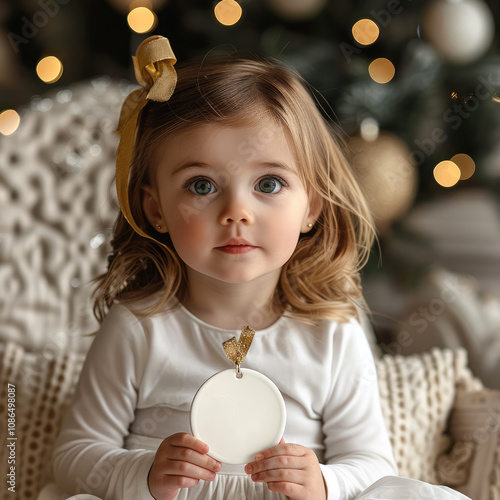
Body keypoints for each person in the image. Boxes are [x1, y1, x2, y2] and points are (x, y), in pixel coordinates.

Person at [51, 36, 470, 500]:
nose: (237, 212)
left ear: (310, 206)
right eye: (202, 185)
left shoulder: (331, 331)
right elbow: (74, 458)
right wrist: (144, 474)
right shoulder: (139, 327)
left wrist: (323, 482)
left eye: (268, 183)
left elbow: (372, 464)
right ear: (156, 210)